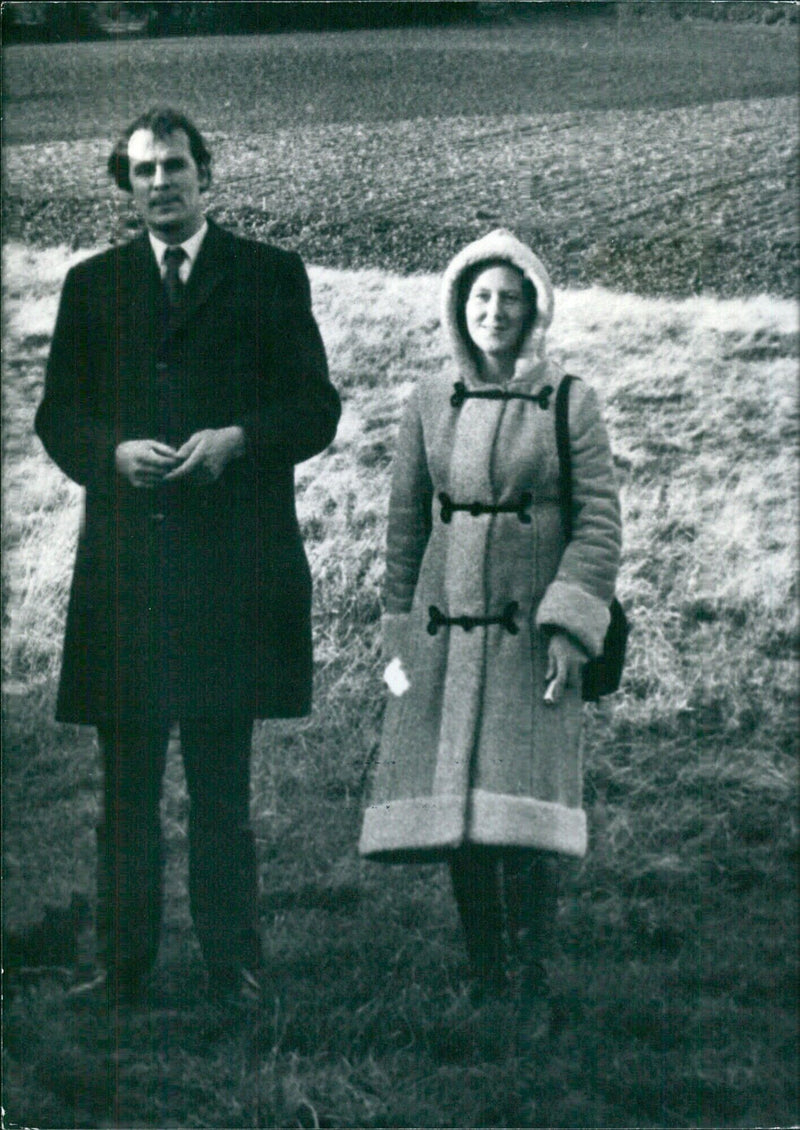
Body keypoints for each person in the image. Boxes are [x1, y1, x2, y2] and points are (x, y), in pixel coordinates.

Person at [35, 107, 340, 1009]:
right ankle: (121, 969)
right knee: (125, 789)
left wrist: (241, 438)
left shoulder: (270, 277)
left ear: (207, 174)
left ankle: (231, 967)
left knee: (219, 786)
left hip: (230, 573)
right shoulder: (92, 286)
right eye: (142, 172)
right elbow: (58, 416)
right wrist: (110, 454)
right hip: (126, 577)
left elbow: (316, 409)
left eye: (174, 166)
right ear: (126, 187)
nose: (160, 183)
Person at [359, 229, 621, 1035]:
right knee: (462, 808)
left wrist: (570, 626)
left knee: (526, 805)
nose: (494, 312)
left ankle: (532, 980)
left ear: (534, 306)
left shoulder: (573, 399)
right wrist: (397, 638)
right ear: (457, 307)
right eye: (480, 297)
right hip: (442, 638)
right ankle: (485, 973)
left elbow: (599, 524)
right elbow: (405, 529)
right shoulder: (426, 402)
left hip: (533, 641)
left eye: (510, 297)